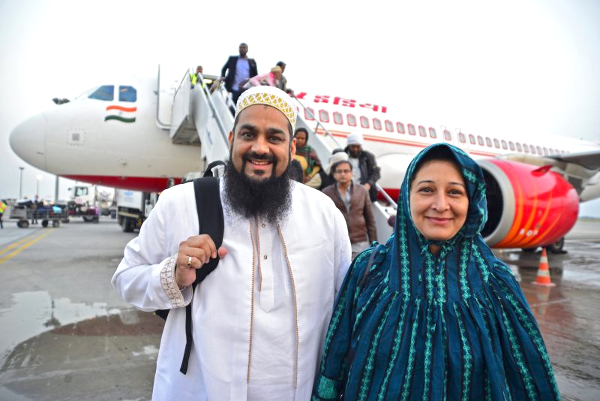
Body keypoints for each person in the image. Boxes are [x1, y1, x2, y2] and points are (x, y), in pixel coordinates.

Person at [112, 85, 352, 400]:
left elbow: (346, 309)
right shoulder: (180, 203)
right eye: (248, 134)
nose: (260, 148)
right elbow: (126, 278)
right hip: (201, 390)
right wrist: (172, 275)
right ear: (231, 140)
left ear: (292, 148)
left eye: (275, 138)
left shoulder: (324, 214)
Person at [313, 143, 560, 400]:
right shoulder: (369, 270)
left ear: (472, 202)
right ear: (408, 198)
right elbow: (336, 356)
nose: (441, 205)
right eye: (427, 190)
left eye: (454, 192)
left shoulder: (496, 284)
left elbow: (529, 375)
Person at [323, 161, 377, 259]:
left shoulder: (362, 191)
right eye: (339, 171)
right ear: (334, 174)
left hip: (360, 242)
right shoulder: (326, 193)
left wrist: (374, 245)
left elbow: (370, 220)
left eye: (346, 171)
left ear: (352, 173)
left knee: (360, 272)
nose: (343, 174)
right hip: (337, 243)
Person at [344, 132, 381, 202]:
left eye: (357, 147)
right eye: (353, 146)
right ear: (349, 146)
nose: (355, 149)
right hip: (345, 192)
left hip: (362, 192)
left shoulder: (368, 156)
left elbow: (376, 173)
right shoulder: (342, 156)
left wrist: (368, 184)